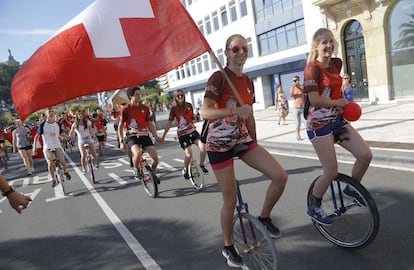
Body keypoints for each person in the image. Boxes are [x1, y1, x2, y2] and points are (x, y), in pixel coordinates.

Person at [200, 34, 287, 267]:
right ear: (227, 53)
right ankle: (228, 246)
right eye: (235, 48)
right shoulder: (219, 77)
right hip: (219, 145)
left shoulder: (247, 81)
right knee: (230, 199)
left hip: (241, 139)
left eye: (245, 48)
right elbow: (205, 113)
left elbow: (248, 113)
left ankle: (264, 217)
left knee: (280, 176)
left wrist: (255, 142)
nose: (241, 52)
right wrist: (232, 112)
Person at [303, 28, 372, 225]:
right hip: (319, 126)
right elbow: (315, 99)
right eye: (324, 42)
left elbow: (335, 89)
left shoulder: (336, 64)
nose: (329, 45)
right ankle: (314, 206)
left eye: (331, 41)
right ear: (316, 45)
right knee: (331, 171)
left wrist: (343, 102)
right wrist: (336, 103)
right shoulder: (311, 69)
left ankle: (352, 188)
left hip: (337, 120)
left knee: (365, 155)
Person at [161, 90, 209, 179]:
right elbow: (169, 122)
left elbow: (193, 117)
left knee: (203, 147)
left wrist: (198, 116)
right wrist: (163, 135)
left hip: (192, 131)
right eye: (178, 96)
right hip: (182, 134)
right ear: (175, 98)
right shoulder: (174, 109)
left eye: (182, 95)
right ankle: (185, 169)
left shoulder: (189, 105)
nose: (180, 97)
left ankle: (201, 165)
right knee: (189, 154)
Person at [118, 86, 162, 179]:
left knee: (155, 158)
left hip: (144, 135)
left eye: (139, 94)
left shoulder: (145, 108)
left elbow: (149, 123)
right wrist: (121, 141)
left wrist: (156, 136)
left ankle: (152, 174)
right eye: (136, 94)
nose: (139, 96)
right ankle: (136, 169)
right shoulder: (125, 109)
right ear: (131, 96)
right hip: (132, 136)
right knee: (137, 153)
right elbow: (120, 125)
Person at [33, 107, 71, 187]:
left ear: (54, 114)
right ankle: (52, 179)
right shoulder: (43, 124)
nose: (51, 113)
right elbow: (37, 136)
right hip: (47, 147)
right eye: (49, 112)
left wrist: (67, 137)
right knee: (50, 162)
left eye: (52, 112)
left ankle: (65, 171)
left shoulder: (57, 124)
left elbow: (60, 134)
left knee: (62, 161)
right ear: (46, 114)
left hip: (57, 145)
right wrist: (34, 147)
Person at [290, 75, 305, 140]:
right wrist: (294, 86)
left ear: (299, 80)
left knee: (306, 122)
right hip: (296, 108)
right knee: (297, 123)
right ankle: (298, 136)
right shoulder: (292, 88)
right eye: (294, 80)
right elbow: (291, 95)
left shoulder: (302, 87)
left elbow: (304, 93)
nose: (295, 82)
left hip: (303, 107)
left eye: (296, 80)